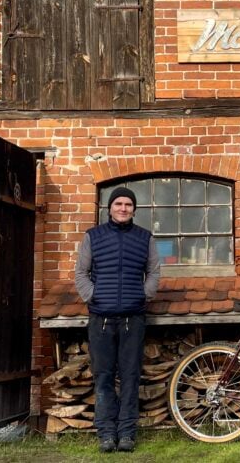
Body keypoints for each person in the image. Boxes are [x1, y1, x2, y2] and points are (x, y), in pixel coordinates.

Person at [74, 187, 160, 453]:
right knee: (104, 378)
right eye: (118, 203)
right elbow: (81, 272)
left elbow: (154, 272)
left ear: (134, 209)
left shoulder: (145, 238)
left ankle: (126, 434)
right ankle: (106, 434)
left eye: (128, 204)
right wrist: (93, 296)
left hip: (132, 320)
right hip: (100, 319)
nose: (123, 208)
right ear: (109, 208)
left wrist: (141, 297)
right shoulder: (93, 236)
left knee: (131, 376)